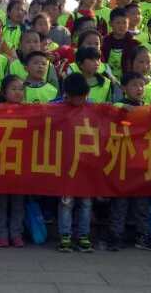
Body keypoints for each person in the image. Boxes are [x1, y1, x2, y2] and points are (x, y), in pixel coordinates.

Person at [106, 71, 151, 251]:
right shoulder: (119, 105)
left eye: (141, 85)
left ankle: (142, 236)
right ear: (123, 88)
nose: (139, 89)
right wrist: (122, 109)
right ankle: (115, 237)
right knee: (120, 204)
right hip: (122, 163)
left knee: (141, 204)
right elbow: (112, 113)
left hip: (141, 163)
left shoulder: (147, 108)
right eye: (134, 85)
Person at [54, 72, 95, 253]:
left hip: (87, 163)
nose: (82, 100)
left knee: (86, 202)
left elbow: (112, 110)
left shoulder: (93, 107)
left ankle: (83, 235)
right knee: (66, 201)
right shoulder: (56, 106)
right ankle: (65, 235)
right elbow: (38, 113)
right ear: (68, 96)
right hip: (66, 163)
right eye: (78, 98)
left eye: (85, 96)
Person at [0, 74, 26, 247]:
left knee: (18, 203)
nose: (18, 92)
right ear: (4, 92)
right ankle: (1, 234)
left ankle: (16, 233)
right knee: (0, 202)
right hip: (0, 162)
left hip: (20, 163)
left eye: (21, 89)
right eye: (14, 89)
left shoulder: (29, 111)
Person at [102, 8, 140, 80]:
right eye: (118, 23)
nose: (121, 26)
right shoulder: (104, 41)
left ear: (128, 24)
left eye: (124, 23)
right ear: (110, 23)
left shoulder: (134, 43)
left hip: (127, 80)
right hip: (106, 79)